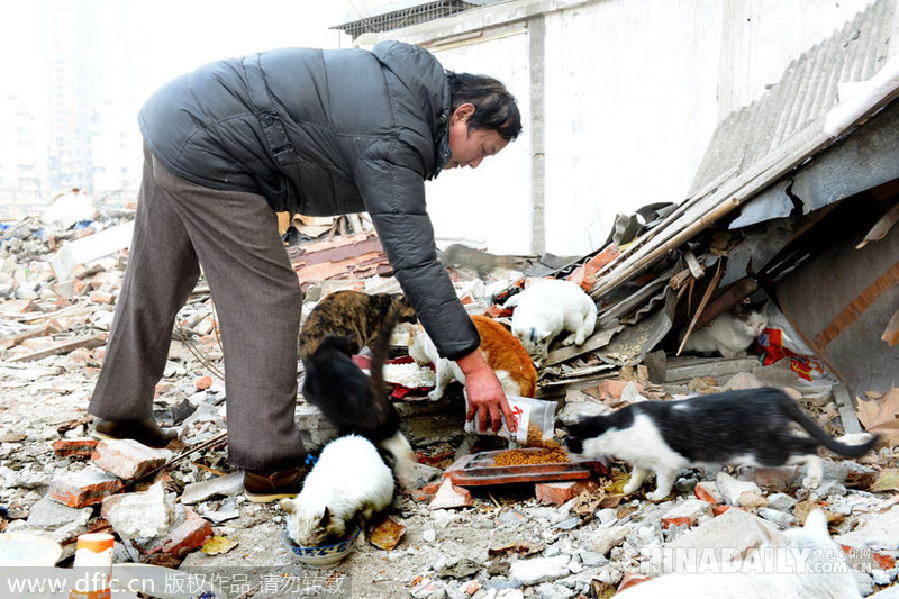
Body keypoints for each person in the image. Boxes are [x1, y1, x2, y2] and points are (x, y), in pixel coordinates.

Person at [88, 41, 522, 501]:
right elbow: (415, 260)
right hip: (212, 146)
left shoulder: (401, 92)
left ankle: (121, 409)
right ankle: (269, 463)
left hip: (177, 118)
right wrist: (474, 368)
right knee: (266, 296)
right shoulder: (399, 131)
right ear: (462, 114)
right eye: (483, 149)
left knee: (157, 274)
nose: (474, 163)